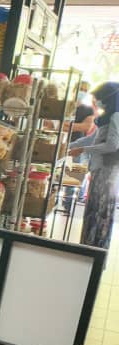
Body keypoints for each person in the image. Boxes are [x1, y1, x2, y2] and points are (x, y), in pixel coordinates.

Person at [69, 82, 119, 249]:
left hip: (108, 171)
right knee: (93, 208)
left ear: (108, 98)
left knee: (101, 211)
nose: (97, 102)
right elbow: (92, 139)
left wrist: (83, 149)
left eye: (99, 98)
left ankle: (95, 250)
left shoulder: (116, 116)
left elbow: (112, 145)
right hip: (100, 169)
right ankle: (87, 247)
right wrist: (68, 146)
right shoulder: (107, 117)